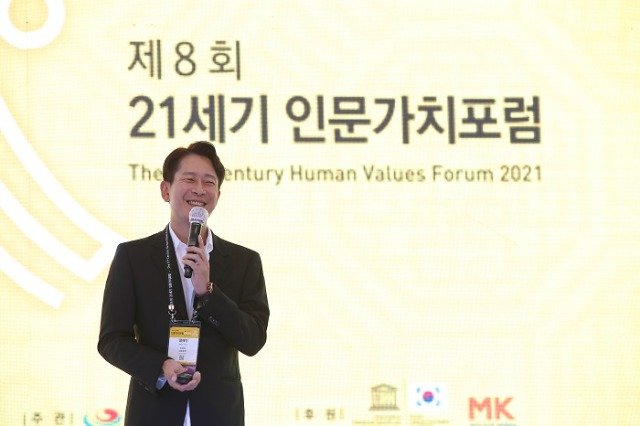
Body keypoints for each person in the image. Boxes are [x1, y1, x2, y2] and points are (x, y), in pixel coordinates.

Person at [98, 141, 269, 425]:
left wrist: (208, 292)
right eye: (189, 179)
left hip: (219, 414)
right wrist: (161, 367)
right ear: (166, 190)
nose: (200, 189)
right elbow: (112, 340)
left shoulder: (244, 261)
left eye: (209, 182)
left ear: (218, 194)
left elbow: (253, 340)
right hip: (154, 411)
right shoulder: (133, 256)